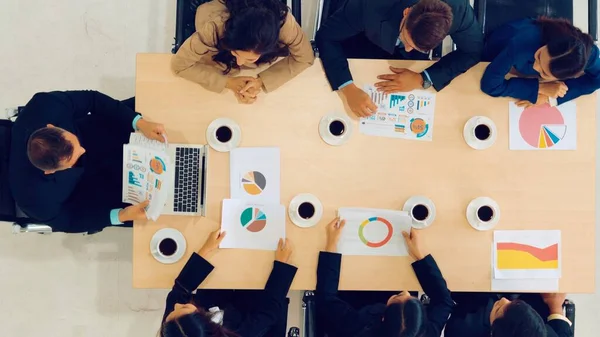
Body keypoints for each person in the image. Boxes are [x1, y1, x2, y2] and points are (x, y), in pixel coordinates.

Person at [9, 91, 166, 233]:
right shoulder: (34, 200)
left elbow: (92, 100)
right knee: (162, 214)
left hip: (100, 133)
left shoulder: (46, 105)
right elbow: (70, 221)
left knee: (162, 109)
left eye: (74, 142)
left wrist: (138, 123)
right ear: (50, 172)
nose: (82, 150)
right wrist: (120, 215)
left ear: (52, 126)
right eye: (74, 158)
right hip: (92, 185)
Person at [315, 0, 483, 117]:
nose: (409, 49)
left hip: (404, 63)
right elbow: (326, 37)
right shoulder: (368, 6)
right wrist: (347, 88)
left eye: (415, 47)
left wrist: (423, 78)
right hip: (363, 38)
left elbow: (473, 51)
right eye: (407, 40)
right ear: (407, 12)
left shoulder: (459, 11)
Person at [315, 218, 454, 337]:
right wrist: (420, 257)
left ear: (382, 317)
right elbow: (444, 301)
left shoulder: (357, 327)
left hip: (353, 299)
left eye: (399, 295)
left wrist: (331, 245)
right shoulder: (426, 332)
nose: (406, 292)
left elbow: (325, 299)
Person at [171, 0, 315, 104]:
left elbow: (306, 57)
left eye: (250, 59)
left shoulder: (285, 26)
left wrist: (262, 81)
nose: (240, 63)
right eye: (236, 54)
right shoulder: (215, 28)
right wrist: (226, 82)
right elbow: (180, 65)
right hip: (217, 19)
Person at [160, 230, 297, 337]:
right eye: (183, 308)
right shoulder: (241, 334)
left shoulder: (175, 328)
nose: (176, 306)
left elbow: (179, 290)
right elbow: (269, 312)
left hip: (215, 291)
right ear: (202, 320)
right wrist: (282, 266)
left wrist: (205, 250)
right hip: (250, 302)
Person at [480, 17, 599, 108]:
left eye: (544, 72)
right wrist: (539, 87)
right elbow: (490, 85)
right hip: (498, 47)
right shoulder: (523, 42)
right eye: (539, 56)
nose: (535, 66)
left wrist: (550, 98)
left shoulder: (588, 55)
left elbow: (597, 81)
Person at [444, 292, 573, 337]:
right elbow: (562, 333)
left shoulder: (460, 330)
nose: (504, 300)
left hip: (476, 303)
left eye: (499, 310)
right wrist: (555, 305)